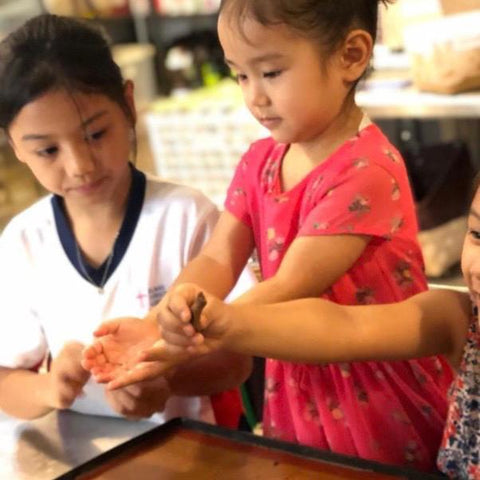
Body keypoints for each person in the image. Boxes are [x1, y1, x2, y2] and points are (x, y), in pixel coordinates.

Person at [83, 0, 454, 472]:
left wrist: (186, 339)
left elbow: (289, 286)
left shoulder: (367, 170)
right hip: (297, 379)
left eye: (271, 73)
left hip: (375, 385)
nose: (254, 97)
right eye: (240, 75)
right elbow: (217, 259)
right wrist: (160, 321)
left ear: (351, 56)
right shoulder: (260, 161)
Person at [0, 13, 253, 426]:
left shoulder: (186, 218)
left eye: (96, 134)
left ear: (129, 105)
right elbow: (6, 379)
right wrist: (50, 388)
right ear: (16, 147)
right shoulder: (23, 242)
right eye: (48, 151)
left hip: (190, 447)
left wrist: (167, 378)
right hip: (83, 451)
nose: (80, 165)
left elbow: (235, 362)